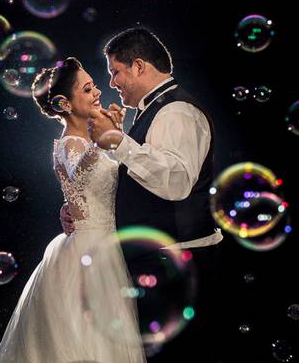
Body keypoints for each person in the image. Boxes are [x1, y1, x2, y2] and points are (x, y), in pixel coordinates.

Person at [62, 27, 222, 361]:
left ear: (138, 66)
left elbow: (176, 183)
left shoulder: (176, 111)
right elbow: (140, 181)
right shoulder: (153, 110)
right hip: (159, 261)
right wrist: (81, 206)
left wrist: (119, 141)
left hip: (177, 262)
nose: (112, 83)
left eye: (115, 72)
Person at [0, 57, 146, 363]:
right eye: (87, 89)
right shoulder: (68, 145)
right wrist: (102, 143)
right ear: (64, 104)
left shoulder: (90, 142)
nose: (98, 92)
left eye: (94, 85)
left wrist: (113, 133)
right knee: (87, 343)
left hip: (108, 246)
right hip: (86, 254)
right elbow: (79, 175)